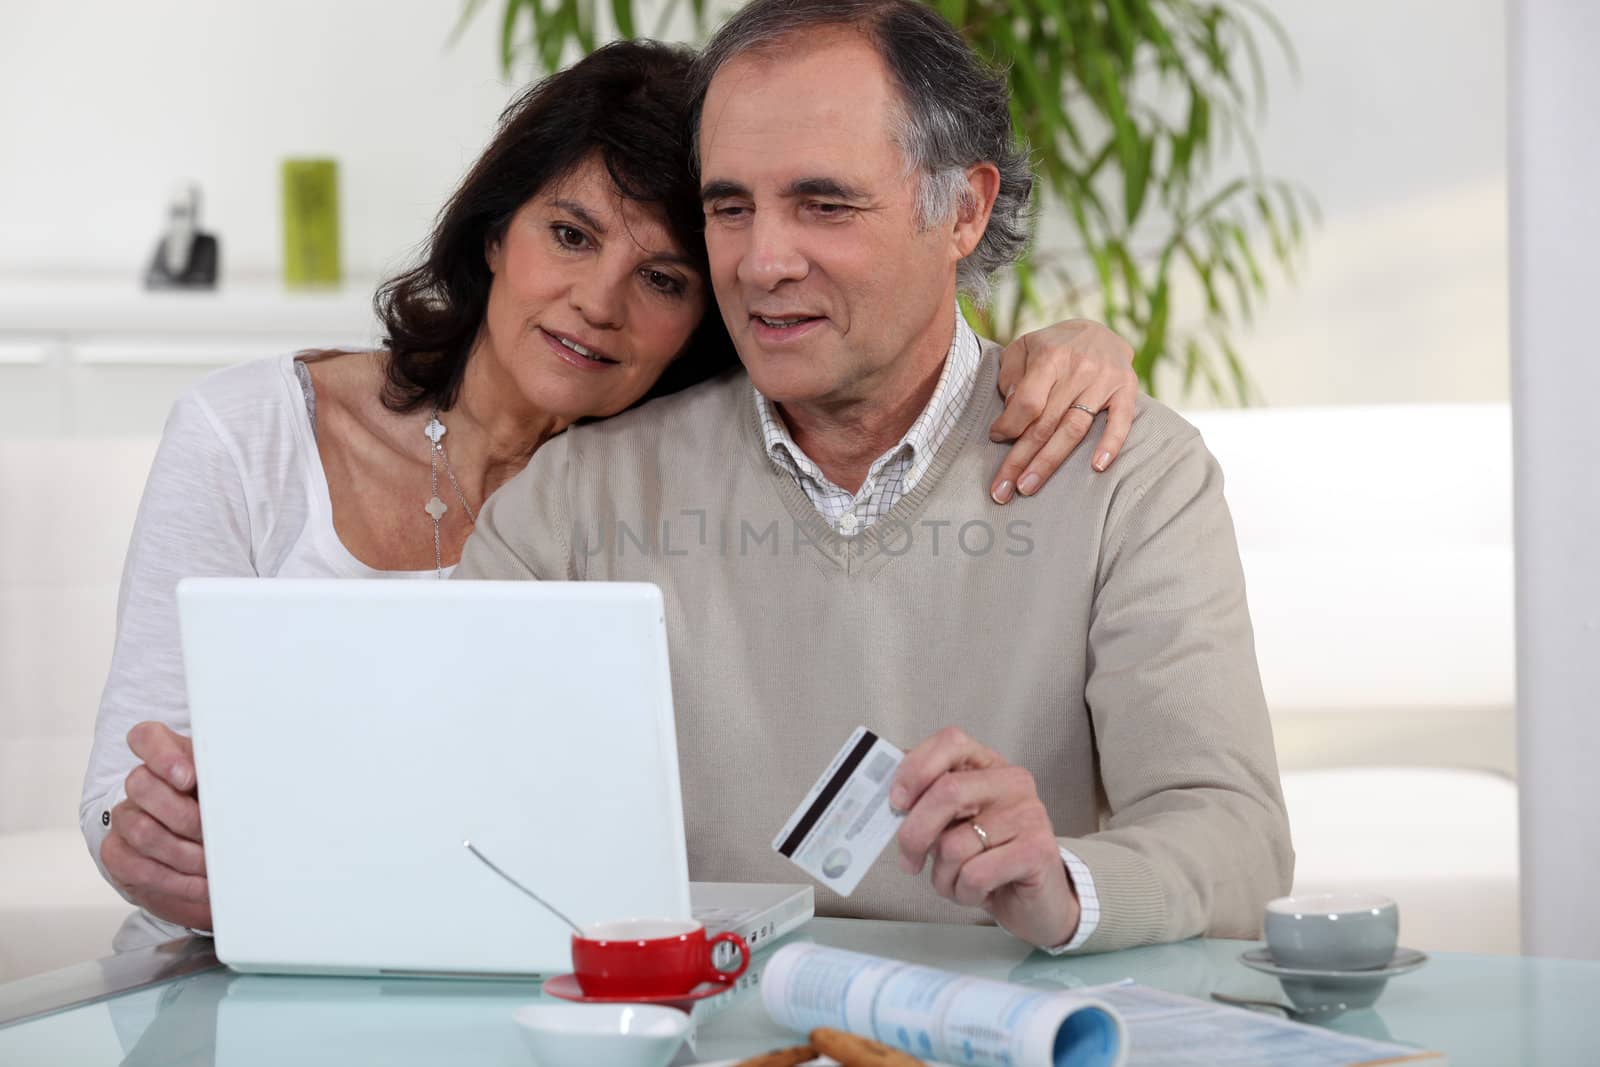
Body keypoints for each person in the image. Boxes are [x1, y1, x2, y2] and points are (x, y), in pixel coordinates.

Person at [81, 39, 1143, 948]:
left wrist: (1070, 348)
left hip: (519, 961)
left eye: (665, 277)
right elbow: (117, 798)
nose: (597, 301)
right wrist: (159, 850)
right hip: (232, 955)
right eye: (571, 234)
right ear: (496, 232)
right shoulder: (251, 431)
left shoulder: (680, 484)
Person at [455, 0, 1293, 954]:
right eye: (730, 208)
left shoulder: (1125, 475)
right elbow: (448, 813)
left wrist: (1065, 882)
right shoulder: (572, 502)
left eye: (825, 204)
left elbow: (1237, 839)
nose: (763, 260)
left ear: (964, 212)